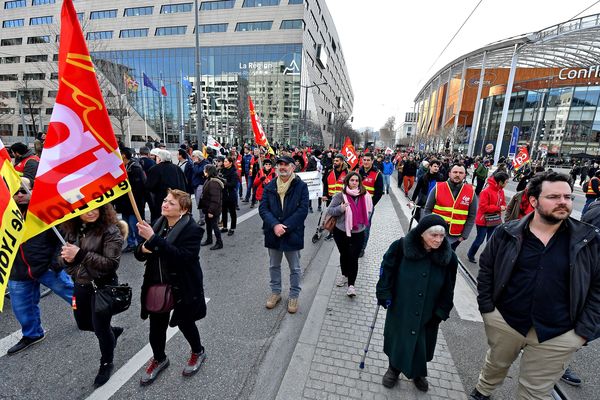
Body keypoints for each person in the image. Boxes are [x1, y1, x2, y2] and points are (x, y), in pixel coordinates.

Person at [470, 171, 600, 400]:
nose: (563, 202)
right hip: (506, 321)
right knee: (495, 364)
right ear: (533, 200)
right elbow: (487, 269)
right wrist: (487, 309)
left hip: (557, 333)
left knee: (536, 392)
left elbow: (598, 289)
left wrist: (582, 332)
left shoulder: (588, 240)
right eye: (554, 197)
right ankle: (483, 390)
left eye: (568, 197)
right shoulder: (507, 232)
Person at [376, 214, 458, 392]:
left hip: (429, 311)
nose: (438, 240)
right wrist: (384, 292)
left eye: (441, 236)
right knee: (398, 339)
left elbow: (450, 286)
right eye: (433, 235)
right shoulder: (401, 246)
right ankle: (394, 369)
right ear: (422, 234)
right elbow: (387, 269)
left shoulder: (449, 257)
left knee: (423, 343)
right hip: (401, 307)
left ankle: (419, 373)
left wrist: (442, 310)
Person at [135, 190, 207, 385]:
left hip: (182, 286)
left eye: (171, 203)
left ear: (183, 209)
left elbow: (183, 258)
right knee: (156, 327)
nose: (165, 204)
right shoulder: (159, 224)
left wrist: (153, 240)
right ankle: (159, 358)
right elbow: (140, 253)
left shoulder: (192, 229)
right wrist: (143, 247)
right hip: (157, 284)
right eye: (165, 200)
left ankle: (197, 351)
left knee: (185, 323)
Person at [59, 205, 125, 387]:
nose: (90, 211)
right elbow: (64, 259)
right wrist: (67, 260)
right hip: (81, 285)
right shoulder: (73, 230)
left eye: (95, 207)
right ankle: (112, 332)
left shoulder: (111, 231)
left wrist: (79, 255)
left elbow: (111, 264)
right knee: (83, 323)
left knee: (100, 328)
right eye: (85, 208)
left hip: (102, 286)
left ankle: (106, 362)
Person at [7, 178, 74, 356]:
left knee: (74, 294)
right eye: (15, 191)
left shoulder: (43, 210)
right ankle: (32, 334)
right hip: (18, 271)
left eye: (23, 190)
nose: (19, 195)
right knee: (21, 306)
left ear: (31, 190)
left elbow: (64, 237)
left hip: (47, 267)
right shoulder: (5, 214)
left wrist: (56, 263)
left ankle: (93, 318)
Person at [259, 156, 309, 314]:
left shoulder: (301, 186)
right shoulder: (270, 186)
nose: (282, 167)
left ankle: (294, 295)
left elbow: (302, 210)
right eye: (280, 164)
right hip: (273, 233)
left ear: (293, 167)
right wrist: (274, 225)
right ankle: (276, 293)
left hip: (292, 233)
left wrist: (285, 227)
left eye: (286, 164)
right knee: (274, 265)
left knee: (294, 267)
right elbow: (263, 209)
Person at [327, 172, 373, 296]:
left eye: (356, 181)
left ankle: (351, 286)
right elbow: (330, 210)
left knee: (353, 257)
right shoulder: (340, 196)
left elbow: (369, 210)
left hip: (358, 232)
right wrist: (340, 209)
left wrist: (362, 221)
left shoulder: (365, 195)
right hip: (341, 231)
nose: (354, 183)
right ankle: (344, 275)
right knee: (344, 254)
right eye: (352, 180)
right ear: (347, 181)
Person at [424, 163, 477, 250]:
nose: (457, 175)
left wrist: (464, 236)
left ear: (464, 175)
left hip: (455, 237)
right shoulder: (438, 187)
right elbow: (427, 210)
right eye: (455, 172)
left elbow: (472, 216)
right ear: (449, 173)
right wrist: (429, 228)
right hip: (436, 232)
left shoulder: (471, 192)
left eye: (461, 173)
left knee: (447, 259)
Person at [466, 172, 508, 263]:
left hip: (494, 219)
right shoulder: (486, 191)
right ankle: (470, 254)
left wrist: (503, 206)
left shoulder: (501, 191)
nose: (506, 184)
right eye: (506, 182)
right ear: (500, 182)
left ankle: (487, 259)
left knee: (491, 241)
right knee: (479, 240)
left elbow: (503, 202)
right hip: (483, 221)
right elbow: (483, 208)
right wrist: (498, 208)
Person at [115, 147, 146, 252]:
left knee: (134, 225)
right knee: (126, 225)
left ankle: (140, 243)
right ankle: (131, 244)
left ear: (123, 155)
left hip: (134, 204)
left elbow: (140, 187)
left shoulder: (135, 168)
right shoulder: (122, 168)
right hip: (124, 204)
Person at [145, 149, 187, 224]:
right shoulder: (177, 168)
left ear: (160, 158)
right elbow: (185, 183)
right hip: (177, 200)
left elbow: (149, 186)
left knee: (160, 221)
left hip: (161, 201)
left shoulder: (155, 169)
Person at [358, 153, 383, 257]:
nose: (366, 162)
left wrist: (371, 204)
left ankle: (362, 248)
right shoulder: (358, 172)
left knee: (365, 228)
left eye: (368, 160)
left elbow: (378, 193)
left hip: (368, 207)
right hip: (356, 204)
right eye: (364, 160)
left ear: (372, 161)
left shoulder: (377, 174)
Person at [322, 154, 348, 240]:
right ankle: (331, 231)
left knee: (339, 217)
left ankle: (337, 232)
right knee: (331, 216)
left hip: (341, 199)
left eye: (337, 161)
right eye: (334, 161)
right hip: (330, 198)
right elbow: (325, 183)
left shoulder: (347, 173)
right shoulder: (330, 171)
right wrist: (325, 195)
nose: (335, 162)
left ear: (342, 161)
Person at [199, 165, 224, 250]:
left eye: (205, 170)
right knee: (208, 225)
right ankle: (209, 239)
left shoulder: (214, 183)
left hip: (213, 209)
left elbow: (215, 199)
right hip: (208, 208)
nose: (203, 171)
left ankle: (219, 242)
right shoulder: (209, 180)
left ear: (208, 171)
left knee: (214, 226)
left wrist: (211, 211)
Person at [220, 156, 238, 236]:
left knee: (232, 212)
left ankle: (232, 228)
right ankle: (224, 227)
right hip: (223, 194)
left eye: (226, 161)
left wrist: (224, 183)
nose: (224, 163)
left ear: (230, 163)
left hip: (230, 194)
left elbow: (233, 185)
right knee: (223, 211)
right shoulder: (222, 170)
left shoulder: (234, 172)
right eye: (224, 161)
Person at [191, 150, 209, 224]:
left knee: (200, 203)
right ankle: (203, 218)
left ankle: (203, 219)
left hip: (201, 185)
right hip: (196, 185)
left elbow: (198, 171)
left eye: (193, 156)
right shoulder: (198, 163)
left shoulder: (205, 163)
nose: (192, 158)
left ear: (197, 157)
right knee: (199, 203)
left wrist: (195, 164)